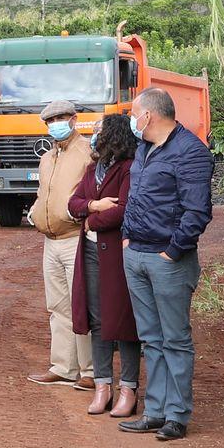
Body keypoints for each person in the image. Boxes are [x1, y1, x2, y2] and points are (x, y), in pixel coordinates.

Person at [118, 87, 214, 442]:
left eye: (134, 112)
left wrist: (173, 251)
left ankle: (177, 415)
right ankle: (154, 411)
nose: (132, 118)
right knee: (151, 339)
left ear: (150, 115)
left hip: (168, 260)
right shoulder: (144, 147)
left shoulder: (191, 153)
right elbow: (137, 198)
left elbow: (197, 211)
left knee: (175, 339)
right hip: (137, 254)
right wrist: (128, 237)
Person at [69, 113, 141, 417]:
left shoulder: (129, 169)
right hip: (89, 252)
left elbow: (125, 209)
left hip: (117, 254)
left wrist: (90, 220)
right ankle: (102, 386)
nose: (94, 136)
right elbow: (73, 204)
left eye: (100, 131)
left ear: (115, 136)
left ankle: (128, 388)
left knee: (123, 321)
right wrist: (94, 207)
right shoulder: (91, 169)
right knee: (97, 320)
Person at [25, 99, 93, 389]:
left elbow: (92, 191)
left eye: (60, 118)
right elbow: (46, 192)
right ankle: (63, 367)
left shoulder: (87, 152)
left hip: (75, 238)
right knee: (58, 306)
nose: (55, 124)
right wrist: (36, 210)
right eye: (50, 121)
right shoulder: (48, 156)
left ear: (74, 119)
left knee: (83, 304)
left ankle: (90, 372)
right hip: (50, 241)